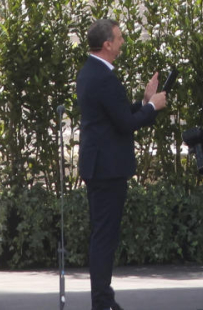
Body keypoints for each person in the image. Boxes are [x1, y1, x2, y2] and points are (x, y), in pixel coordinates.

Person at [75, 18, 166, 310]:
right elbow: (125, 125)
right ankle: (102, 301)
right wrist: (153, 107)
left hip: (100, 166)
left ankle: (104, 298)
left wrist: (143, 101)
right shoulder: (103, 76)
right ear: (107, 45)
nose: (123, 42)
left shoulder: (90, 71)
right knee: (104, 237)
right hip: (107, 168)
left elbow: (115, 116)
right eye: (119, 38)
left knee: (103, 235)